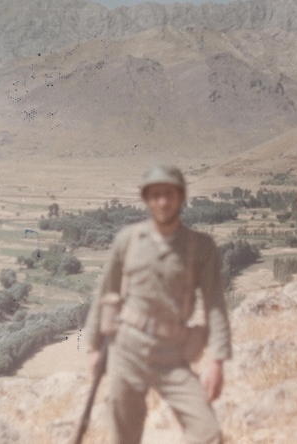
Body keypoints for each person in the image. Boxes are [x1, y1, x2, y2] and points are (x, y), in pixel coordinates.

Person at [82, 165, 231, 444]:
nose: (163, 202)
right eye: (156, 195)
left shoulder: (201, 247)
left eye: (169, 194)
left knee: (207, 431)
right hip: (127, 348)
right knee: (123, 437)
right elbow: (106, 292)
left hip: (172, 354)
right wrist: (94, 347)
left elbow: (215, 306)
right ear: (147, 199)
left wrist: (217, 361)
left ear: (181, 197)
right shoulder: (128, 239)